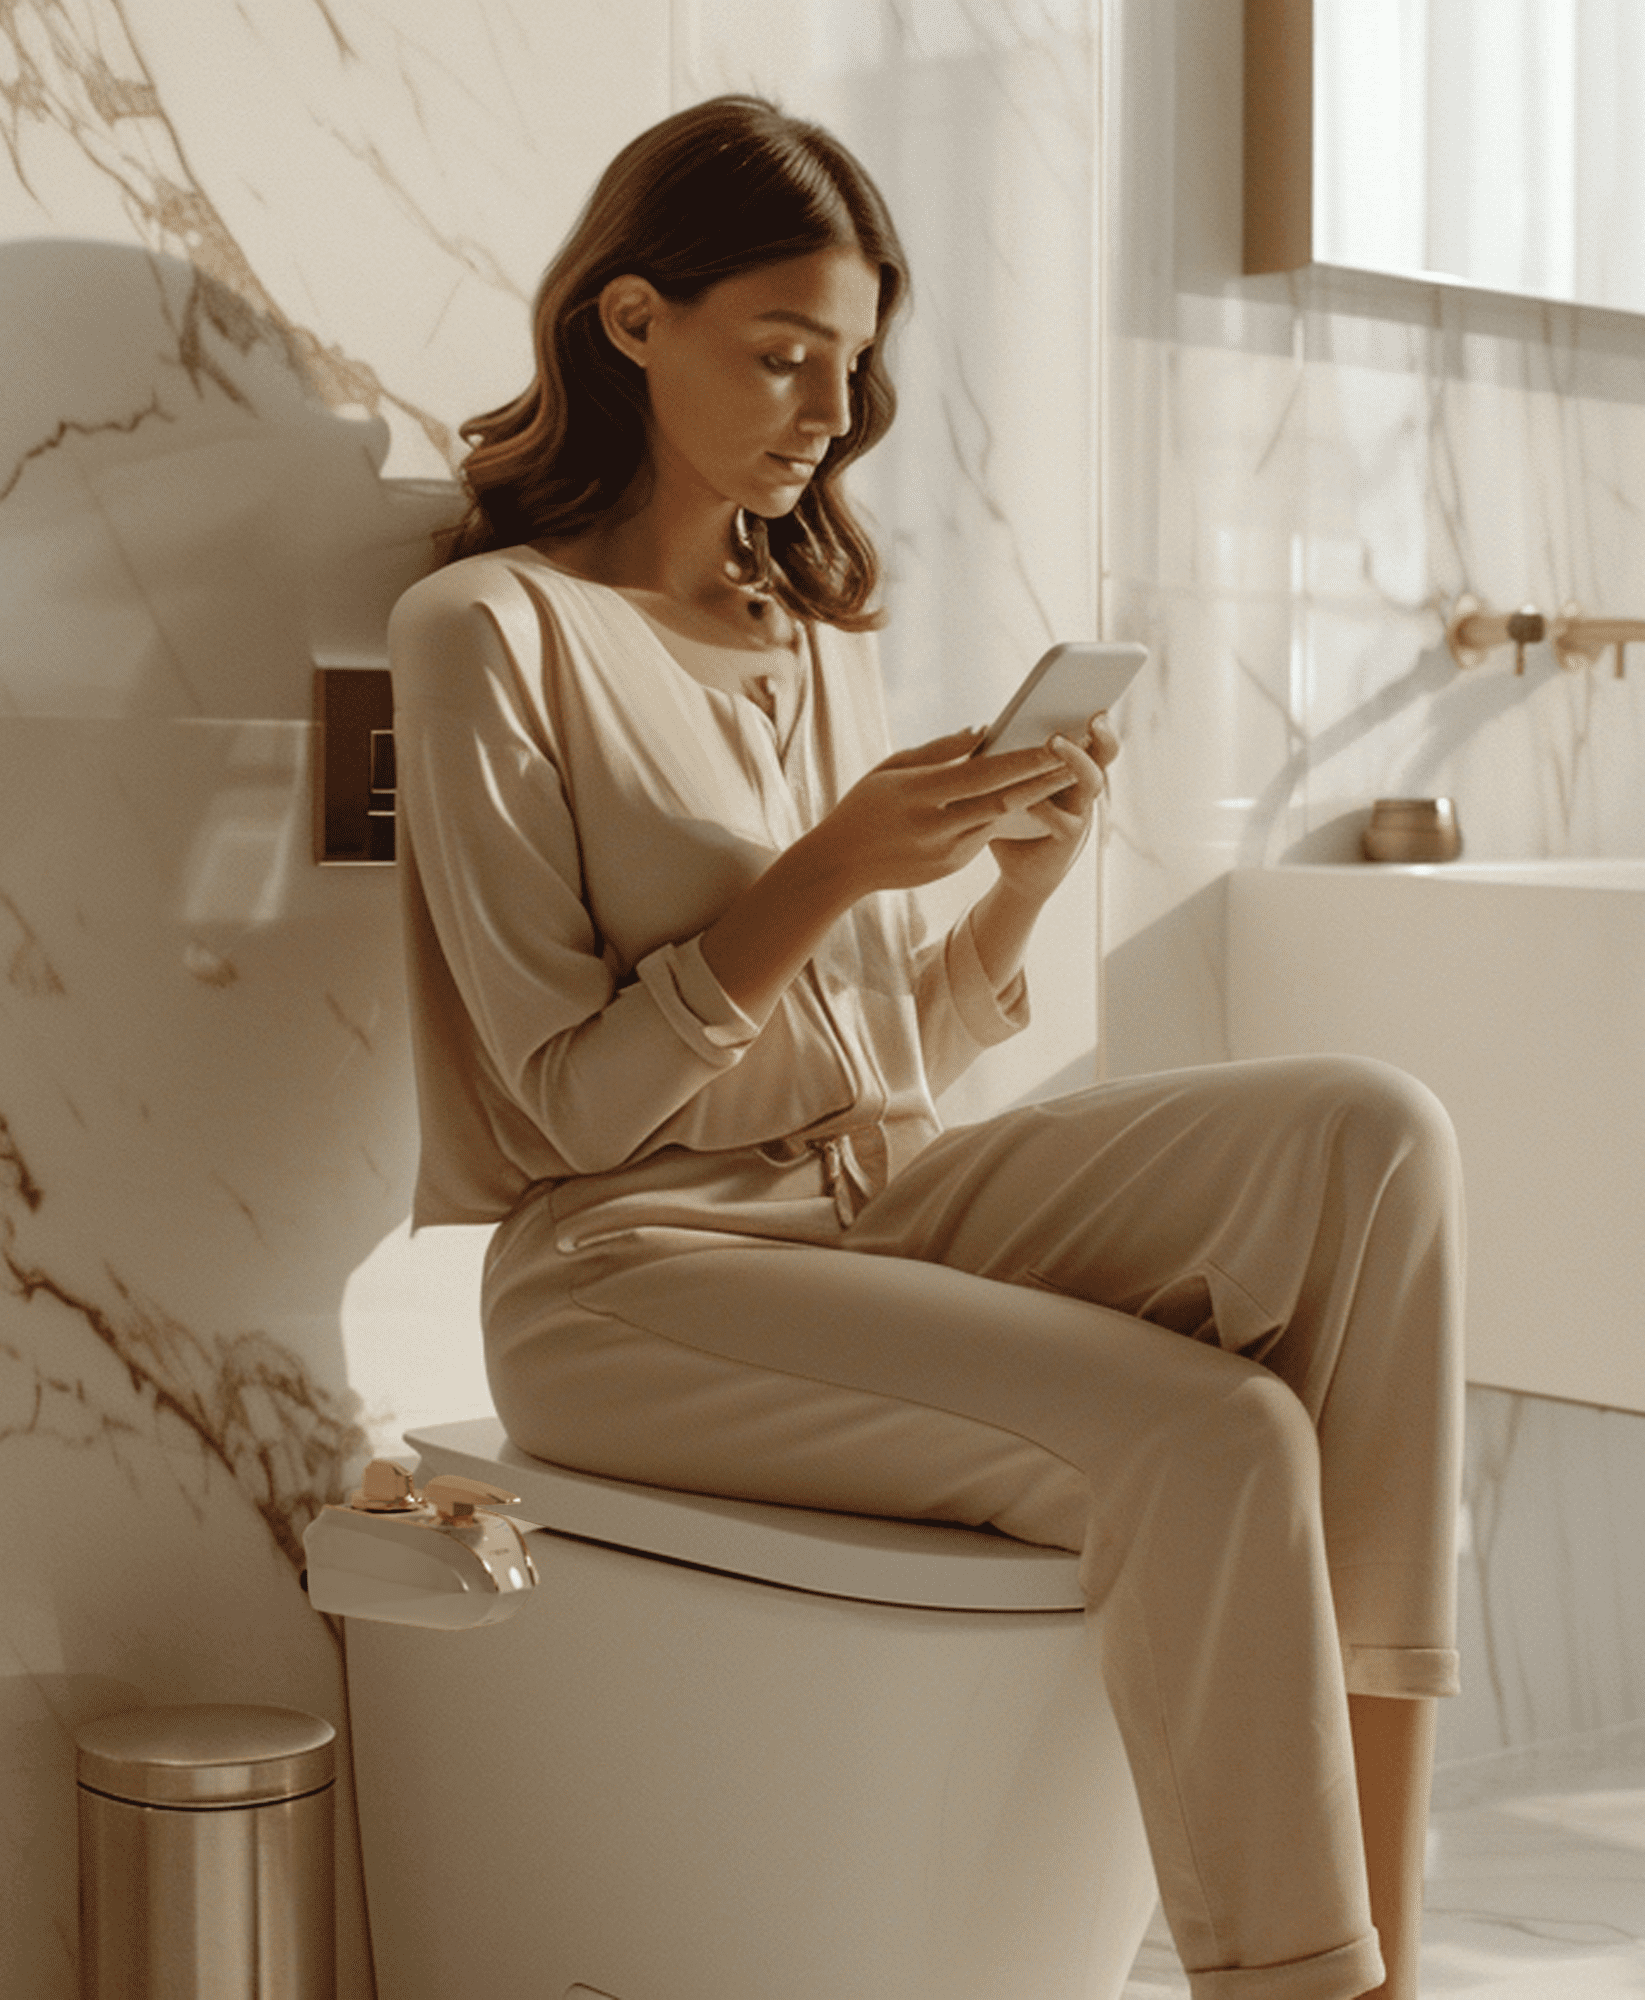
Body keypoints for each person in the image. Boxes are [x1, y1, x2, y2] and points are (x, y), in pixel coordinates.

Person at [388, 94, 1463, 2000]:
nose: (824, 409)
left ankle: (1390, 1925)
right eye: (782, 352)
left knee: (1376, 1137)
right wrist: (820, 870)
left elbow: (879, 1051)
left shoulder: (808, 630)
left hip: (877, 1201)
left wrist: (1018, 889)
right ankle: (1301, 1983)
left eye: (855, 366)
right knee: (1215, 1435)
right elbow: (566, 1113)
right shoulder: (491, 632)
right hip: (633, 1277)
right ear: (632, 322)